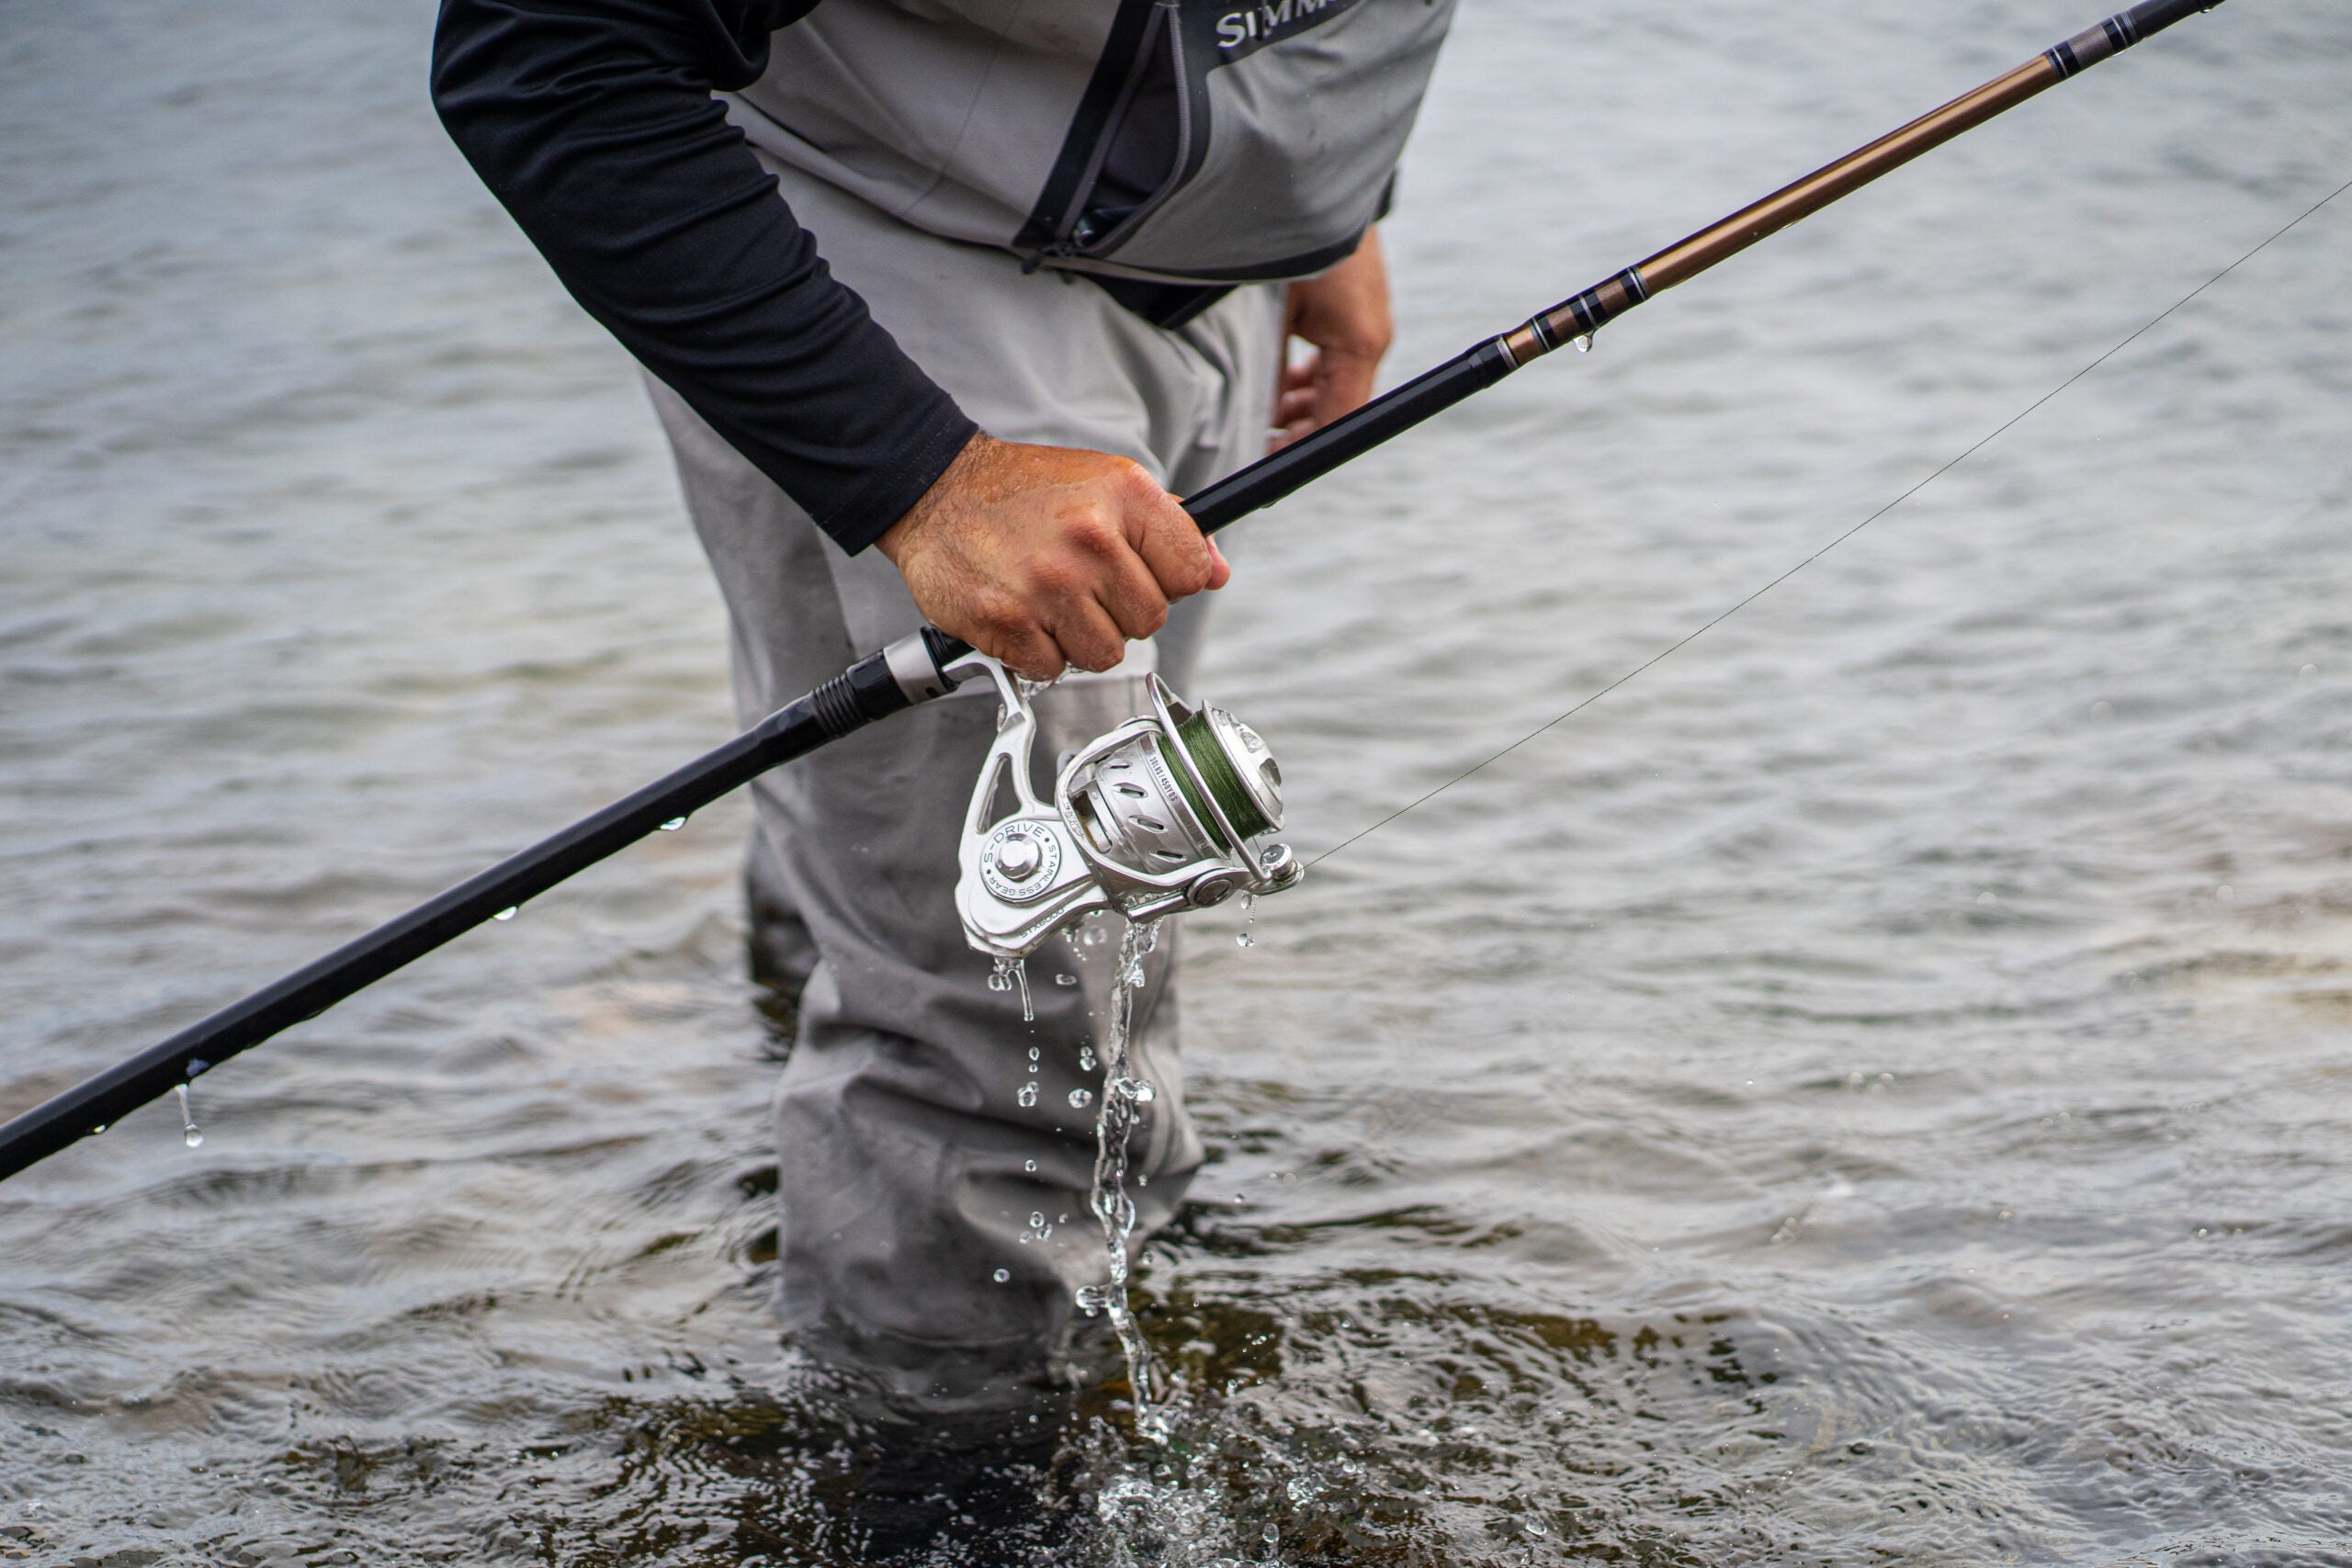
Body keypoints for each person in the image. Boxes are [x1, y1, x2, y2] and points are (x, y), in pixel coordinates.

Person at [432, 0, 1453, 1397]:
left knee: (1010, 875)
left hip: (1212, 250)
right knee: (1017, 1009)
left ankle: (802, 1112)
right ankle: (936, 1456)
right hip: (890, 253)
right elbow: (545, 52)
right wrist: (926, 478)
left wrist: (1321, 209)